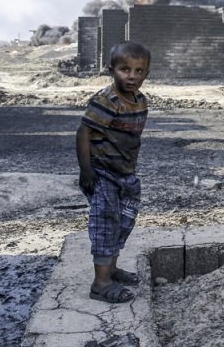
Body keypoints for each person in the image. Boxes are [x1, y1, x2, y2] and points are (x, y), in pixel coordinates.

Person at [76, 41, 152, 303]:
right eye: (124, 69)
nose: (132, 76)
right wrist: (86, 170)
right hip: (103, 174)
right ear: (111, 70)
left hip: (125, 174)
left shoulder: (140, 101)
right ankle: (101, 283)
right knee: (106, 224)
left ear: (146, 73)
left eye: (139, 71)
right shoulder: (106, 100)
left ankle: (111, 269)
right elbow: (83, 132)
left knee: (123, 221)